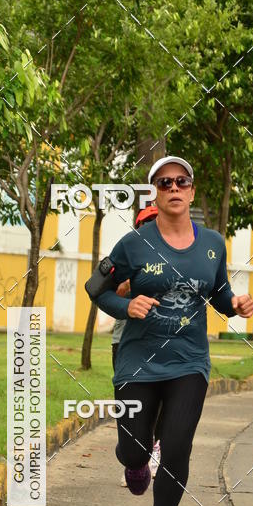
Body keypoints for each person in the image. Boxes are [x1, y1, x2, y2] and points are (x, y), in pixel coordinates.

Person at [91, 156, 253, 506]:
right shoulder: (133, 244)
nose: (174, 188)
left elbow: (217, 292)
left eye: (181, 181)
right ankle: (134, 462)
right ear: (155, 193)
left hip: (189, 361)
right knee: (134, 449)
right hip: (138, 361)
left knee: (178, 445)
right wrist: (124, 307)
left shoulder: (214, 244)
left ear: (192, 190)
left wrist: (233, 303)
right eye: (165, 183)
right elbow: (97, 288)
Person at [112, 207, 161, 484]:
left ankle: (154, 449)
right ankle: (134, 457)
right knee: (130, 405)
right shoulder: (126, 254)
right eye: (146, 224)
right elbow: (106, 291)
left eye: (155, 223)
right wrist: (128, 285)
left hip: (160, 341)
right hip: (124, 340)